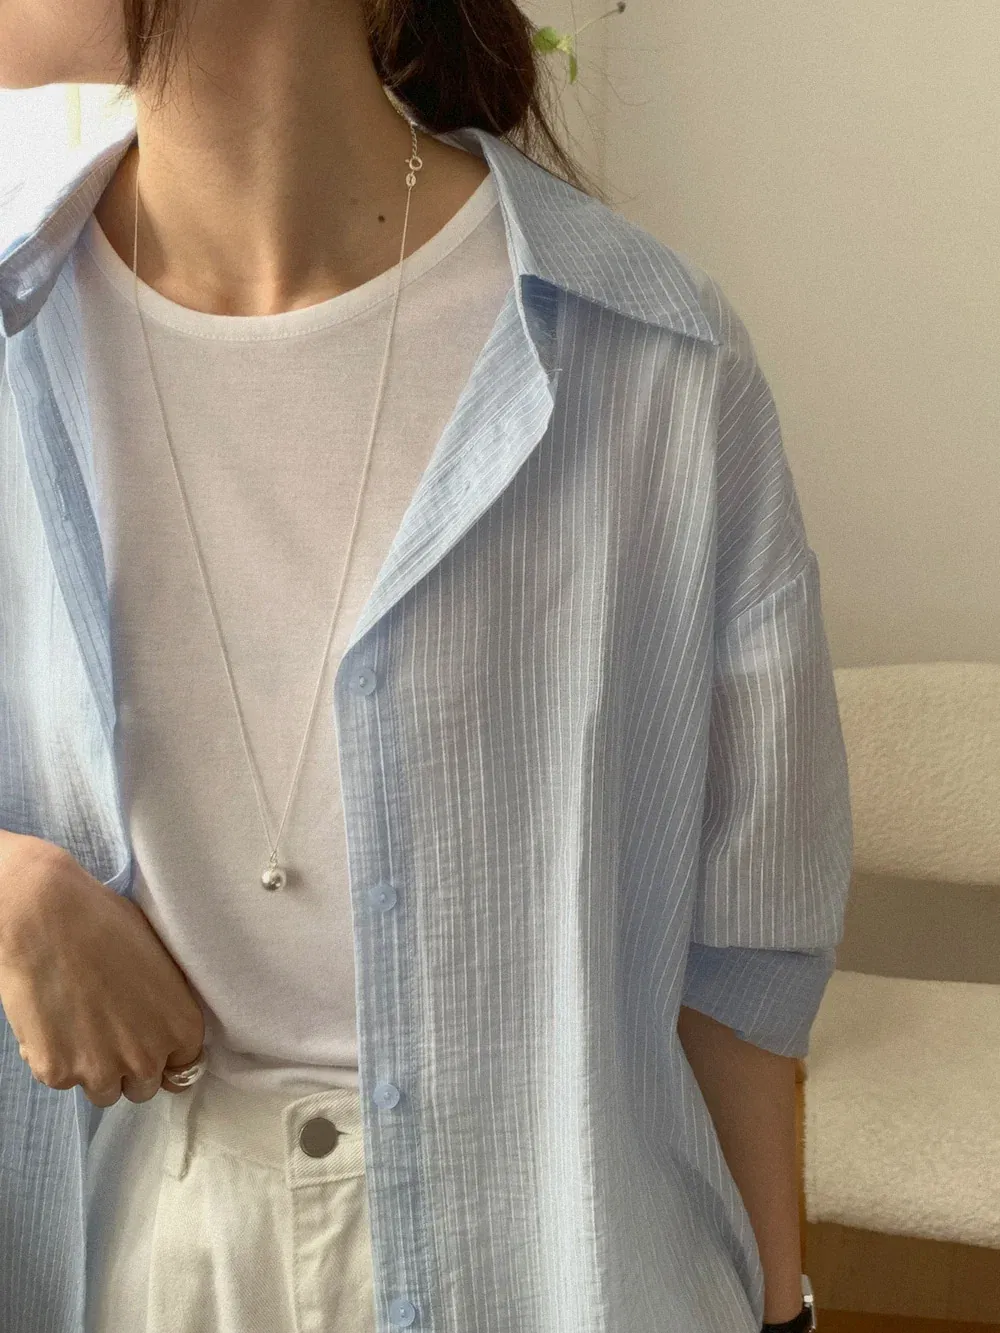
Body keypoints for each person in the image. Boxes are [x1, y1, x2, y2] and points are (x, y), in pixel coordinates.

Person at [0, 1, 849, 1331]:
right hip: (148, 1263)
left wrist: (782, 1314)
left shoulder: (649, 359)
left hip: (564, 1270)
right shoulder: (22, 343)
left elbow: (747, 955)